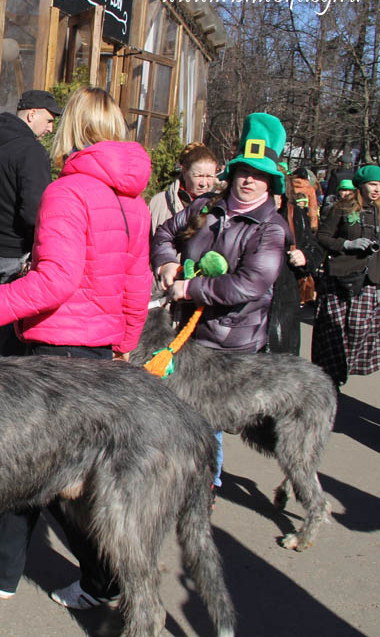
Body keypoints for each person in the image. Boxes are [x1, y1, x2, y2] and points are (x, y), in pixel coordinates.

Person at [0, 86, 152, 610]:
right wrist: (125, 344)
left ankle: (7, 570)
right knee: (68, 475)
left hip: (56, 352)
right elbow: (138, 283)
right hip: (98, 354)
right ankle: (89, 576)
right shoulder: (134, 203)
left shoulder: (68, 192)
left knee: (32, 468)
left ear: (75, 129)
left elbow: (56, 281)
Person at [152, 112, 289, 512]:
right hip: (182, 334)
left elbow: (251, 284)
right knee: (177, 409)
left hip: (229, 342)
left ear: (270, 181)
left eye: (258, 174)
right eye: (244, 170)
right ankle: (178, 479)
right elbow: (163, 233)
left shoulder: (270, 228)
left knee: (208, 419)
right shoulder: (206, 206)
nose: (248, 179)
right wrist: (166, 263)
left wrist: (191, 287)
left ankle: (203, 489)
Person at [0, 89, 62, 356]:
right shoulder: (31, 151)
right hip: (16, 255)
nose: (50, 128)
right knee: (11, 340)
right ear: (32, 114)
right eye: (48, 120)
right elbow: (34, 211)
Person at [311, 165, 380, 387]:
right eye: (372, 184)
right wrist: (347, 244)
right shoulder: (341, 208)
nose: (377, 189)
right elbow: (322, 236)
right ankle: (332, 376)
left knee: (360, 328)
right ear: (361, 186)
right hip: (341, 277)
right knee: (335, 330)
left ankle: (347, 365)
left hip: (371, 279)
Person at [267, 184, 323, 355]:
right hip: (246, 306)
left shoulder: (294, 214)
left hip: (283, 299)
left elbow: (315, 249)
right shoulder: (239, 213)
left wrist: (305, 256)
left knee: (281, 366)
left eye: (276, 194)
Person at [148, 141, 219, 234]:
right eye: (199, 176)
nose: (204, 183)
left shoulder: (222, 205)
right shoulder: (159, 203)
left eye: (209, 176)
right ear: (184, 171)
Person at [291, 166, 320, 231]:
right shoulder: (310, 189)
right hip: (304, 216)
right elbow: (313, 207)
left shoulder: (288, 186)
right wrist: (313, 225)